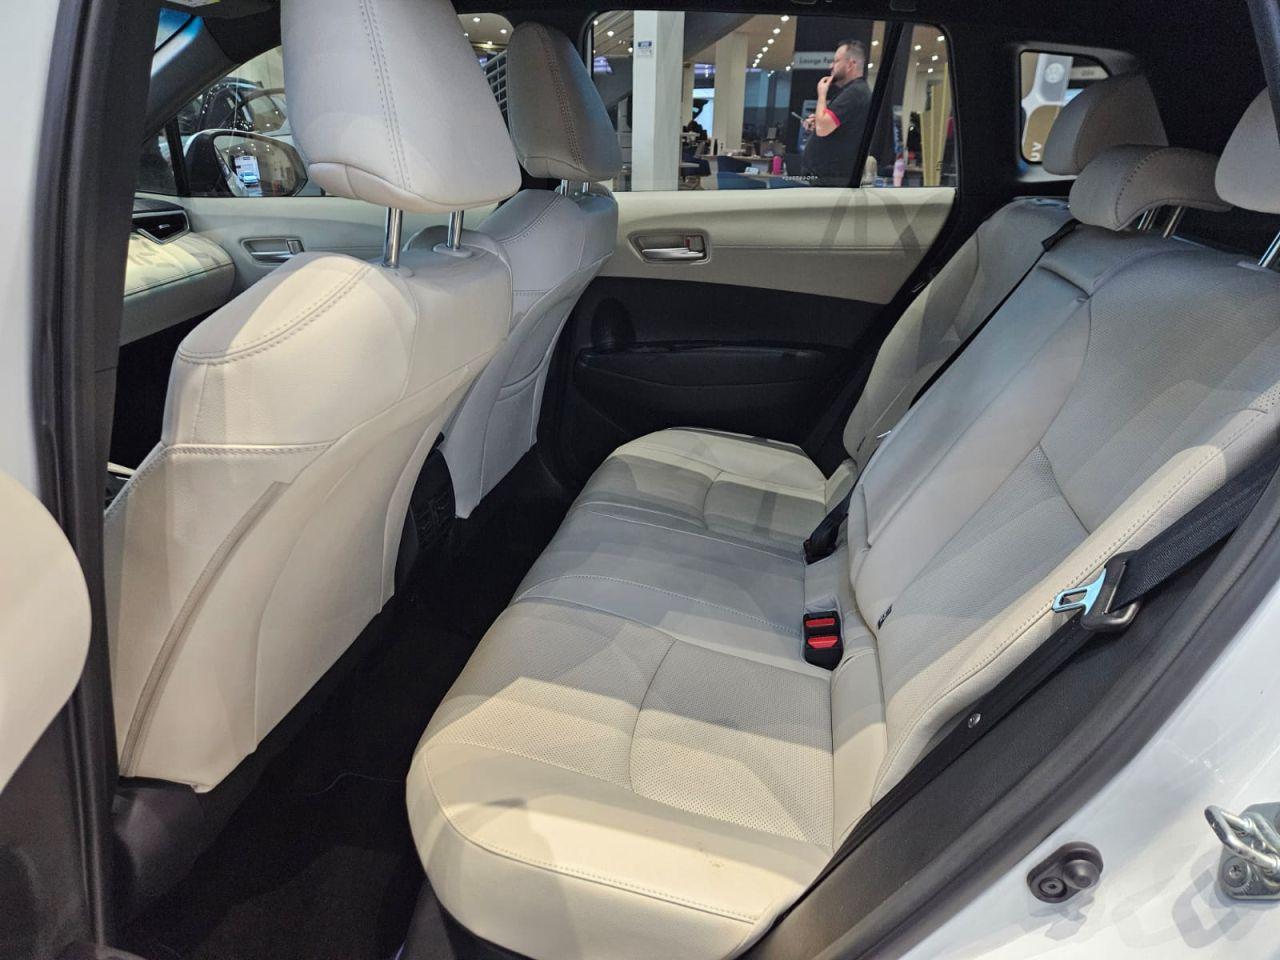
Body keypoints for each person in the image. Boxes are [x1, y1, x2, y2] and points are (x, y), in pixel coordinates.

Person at [801, 39, 872, 186]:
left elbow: (822, 128)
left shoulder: (854, 92)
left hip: (831, 181)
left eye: (836, 61)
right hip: (828, 179)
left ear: (851, 64)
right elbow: (828, 126)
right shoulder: (854, 91)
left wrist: (822, 93)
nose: (831, 66)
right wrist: (819, 120)